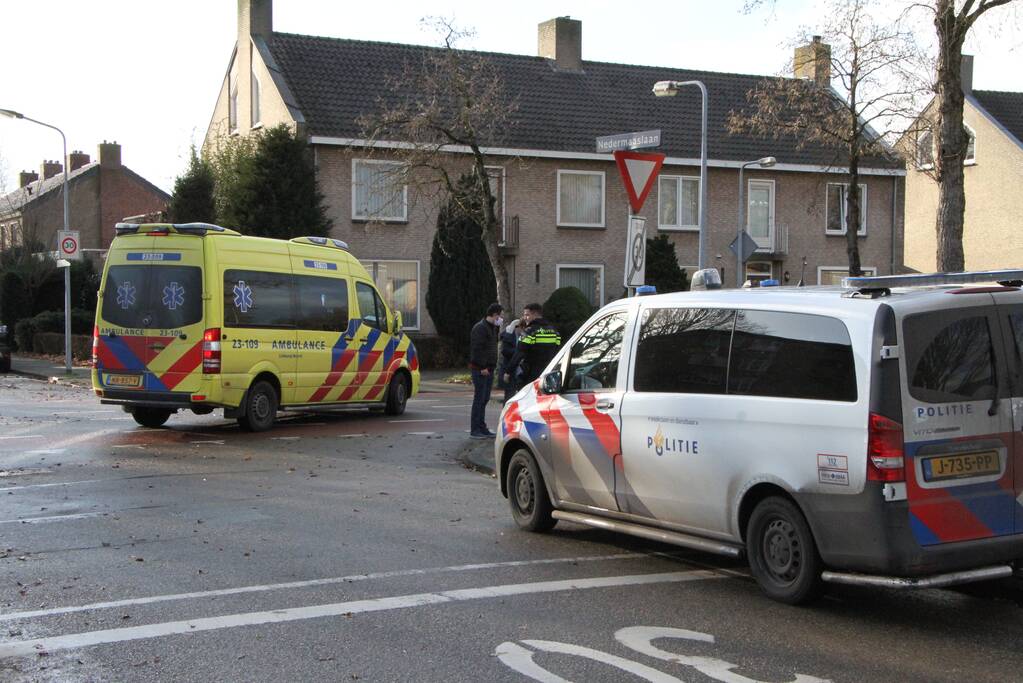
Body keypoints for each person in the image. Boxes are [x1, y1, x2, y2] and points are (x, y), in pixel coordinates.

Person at [468, 303, 503, 438]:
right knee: (479, 399)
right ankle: (475, 429)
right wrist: (482, 366)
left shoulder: (492, 328)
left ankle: (481, 427)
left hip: (488, 368)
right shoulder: (480, 328)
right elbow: (477, 349)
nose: (501, 318)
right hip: (481, 369)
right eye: (500, 315)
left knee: (484, 399)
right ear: (495, 315)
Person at [505, 303, 560, 386]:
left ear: (535, 314)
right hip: (549, 372)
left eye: (527, 315)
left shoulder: (529, 332)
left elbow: (519, 353)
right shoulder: (554, 331)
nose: (525, 318)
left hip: (531, 374)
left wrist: (508, 371)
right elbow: (557, 351)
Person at [499, 318, 524, 402]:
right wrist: (519, 353)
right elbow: (505, 351)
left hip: (520, 370)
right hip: (511, 369)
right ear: (516, 327)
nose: (522, 330)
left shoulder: (523, 336)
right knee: (509, 396)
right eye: (521, 327)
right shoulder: (509, 336)